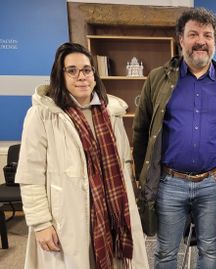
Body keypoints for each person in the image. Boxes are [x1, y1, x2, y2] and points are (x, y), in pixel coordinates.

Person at [132, 7, 216, 268]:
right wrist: (144, 174)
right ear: (180, 39)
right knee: (165, 252)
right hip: (169, 182)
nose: (200, 41)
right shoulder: (158, 79)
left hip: (213, 184)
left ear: (215, 42)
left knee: (210, 249)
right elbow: (141, 131)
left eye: (207, 35)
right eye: (193, 33)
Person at [15, 42, 149, 269]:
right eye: (72, 70)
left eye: (87, 70)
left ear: (94, 75)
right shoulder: (43, 115)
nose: (81, 76)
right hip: (68, 217)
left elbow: (123, 168)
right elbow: (31, 175)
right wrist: (41, 223)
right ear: (61, 75)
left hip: (112, 213)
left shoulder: (111, 113)